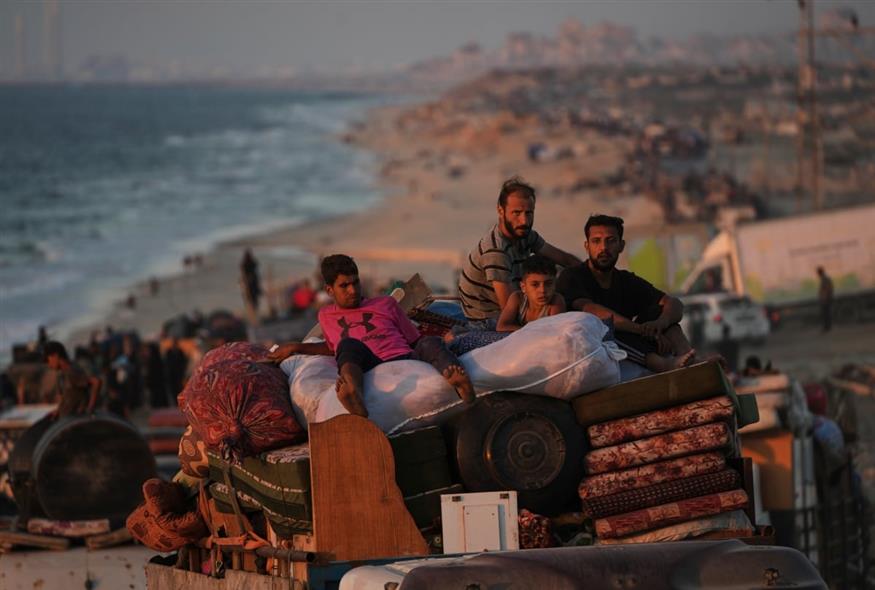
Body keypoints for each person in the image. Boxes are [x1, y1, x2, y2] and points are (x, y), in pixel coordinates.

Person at [268, 254, 475, 417]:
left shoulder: (385, 303)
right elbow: (333, 348)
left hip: (403, 355)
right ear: (329, 290)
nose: (352, 290)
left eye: (355, 282)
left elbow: (415, 340)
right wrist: (296, 347)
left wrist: (438, 343)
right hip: (369, 363)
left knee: (430, 342)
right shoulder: (326, 315)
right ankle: (353, 393)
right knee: (348, 345)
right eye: (344, 286)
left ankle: (456, 378)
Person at [556, 214, 695, 373]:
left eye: (611, 241)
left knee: (661, 312)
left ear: (621, 246)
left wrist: (660, 323)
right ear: (587, 246)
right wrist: (642, 330)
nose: (603, 248)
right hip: (592, 345)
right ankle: (663, 365)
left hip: (633, 340)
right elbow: (591, 310)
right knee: (606, 329)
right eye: (596, 241)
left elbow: (674, 303)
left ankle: (690, 358)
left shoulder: (625, 279)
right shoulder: (572, 276)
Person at [458, 177, 581, 324]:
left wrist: (589, 276)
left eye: (529, 213)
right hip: (489, 319)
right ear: (500, 210)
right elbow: (509, 308)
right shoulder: (496, 252)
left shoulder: (524, 234)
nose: (524, 221)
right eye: (516, 213)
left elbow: (565, 259)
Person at [496, 255, 566, 332]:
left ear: (555, 284)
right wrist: (532, 330)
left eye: (548, 284)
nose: (542, 290)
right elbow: (501, 326)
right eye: (535, 285)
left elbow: (554, 331)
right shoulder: (517, 298)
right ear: (523, 287)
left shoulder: (556, 301)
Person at [43, 341, 101, 418]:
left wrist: (90, 408)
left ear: (55, 356)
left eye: (48, 360)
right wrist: (59, 410)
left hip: (75, 422)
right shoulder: (62, 375)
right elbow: (68, 399)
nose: (49, 364)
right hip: (65, 420)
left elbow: (96, 382)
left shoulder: (71, 371)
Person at [240, 248, 262, 319]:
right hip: (252, 283)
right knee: (254, 299)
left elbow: (244, 273)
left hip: (250, 283)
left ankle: (253, 312)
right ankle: (254, 311)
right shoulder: (252, 262)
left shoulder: (245, 263)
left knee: (250, 299)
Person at [817, 266, 833, 332]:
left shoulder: (825, 279)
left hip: (825, 300)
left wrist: (824, 299)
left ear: (820, 272)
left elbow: (827, 289)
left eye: (818, 272)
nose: (817, 274)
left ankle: (826, 327)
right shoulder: (825, 278)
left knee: (825, 314)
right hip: (826, 299)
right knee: (826, 314)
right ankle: (827, 327)